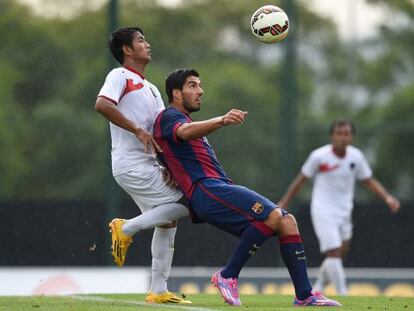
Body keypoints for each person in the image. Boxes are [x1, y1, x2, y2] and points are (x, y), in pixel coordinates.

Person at [153, 68, 341, 307]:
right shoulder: (170, 116)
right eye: (192, 85)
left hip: (216, 189)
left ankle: (304, 294)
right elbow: (183, 132)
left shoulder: (185, 121)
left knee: (286, 221)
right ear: (175, 93)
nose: (200, 91)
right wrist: (221, 120)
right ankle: (228, 275)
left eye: (200, 85)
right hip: (206, 190)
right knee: (273, 214)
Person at [95, 27, 191, 304]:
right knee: (189, 201)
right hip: (130, 164)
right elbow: (102, 104)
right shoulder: (119, 75)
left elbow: (160, 133)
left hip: (148, 164)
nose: (147, 44)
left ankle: (158, 290)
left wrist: (169, 167)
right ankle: (125, 229)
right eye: (140, 40)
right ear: (127, 49)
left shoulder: (150, 87)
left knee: (168, 221)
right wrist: (137, 130)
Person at [278, 120, 401, 295]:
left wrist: (387, 198)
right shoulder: (319, 156)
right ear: (332, 136)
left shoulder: (356, 157)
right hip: (323, 210)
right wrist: (284, 202)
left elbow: (368, 180)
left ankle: (318, 287)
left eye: (347, 134)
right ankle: (343, 292)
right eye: (339, 134)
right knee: (334, 251)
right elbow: (301, 180)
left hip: (344, 211)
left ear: (352, 137)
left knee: (340, 252)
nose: (343, 138)